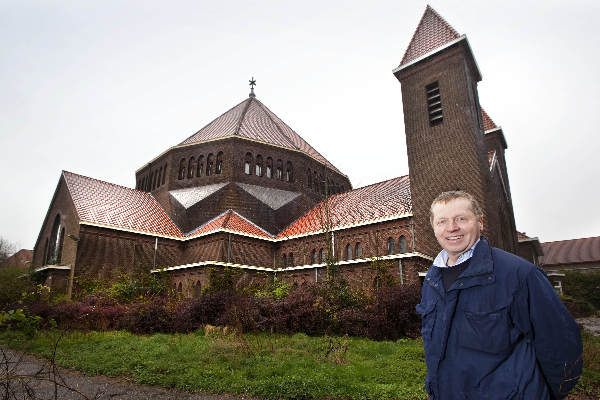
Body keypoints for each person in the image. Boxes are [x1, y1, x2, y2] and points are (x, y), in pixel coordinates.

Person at [417, 190, 582, 400]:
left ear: (480, 222)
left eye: (461, 219)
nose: (452, 228)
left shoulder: (520, 274)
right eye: (442, 221)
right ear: (434, 228)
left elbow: (561, 346)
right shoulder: (431, 280)